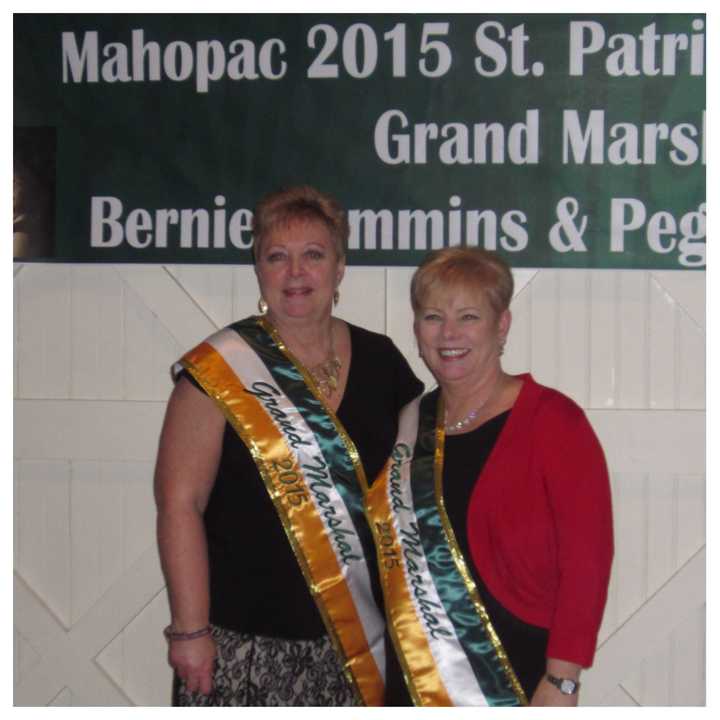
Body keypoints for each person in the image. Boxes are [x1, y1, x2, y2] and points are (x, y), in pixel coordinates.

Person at [154, 185, 423, 706]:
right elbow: (178, 506)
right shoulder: (219, 371)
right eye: (277, 257)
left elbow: (412, 494)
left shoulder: (382, 362)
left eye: (314, 256)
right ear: (259, 269)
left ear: (340, 267)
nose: (296, 273)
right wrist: (189, 632)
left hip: (354, 647)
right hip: (241, 646)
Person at [368, 247, 613, 707]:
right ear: (416, 329)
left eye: (469, 317)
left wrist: (563, 680)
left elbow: (587, 562)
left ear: (502, 325)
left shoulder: (553, 420)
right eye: (433, 317)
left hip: (517, 676)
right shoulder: (408, 423)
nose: (449, 334)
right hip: (416, 674)